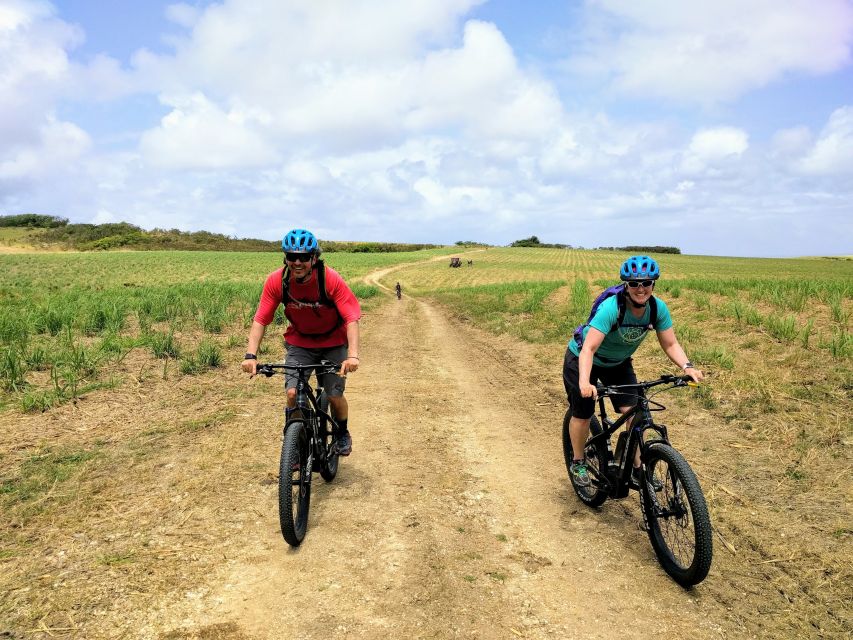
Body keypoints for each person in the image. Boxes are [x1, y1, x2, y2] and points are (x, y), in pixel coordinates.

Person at [563, 255, 703, 488]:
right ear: (626, 286)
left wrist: (687, 367)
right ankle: (578, 461)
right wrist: (586, 383)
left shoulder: (657, 308)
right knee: (583, 411)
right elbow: (589, 348)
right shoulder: (612, 308)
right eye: (635, 283)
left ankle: (636, 467)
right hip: (582, 358)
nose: (641, 289)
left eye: (646, 283)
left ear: (653, 285)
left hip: (618, 362)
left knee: (635, 412)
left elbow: (670, 344)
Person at [242, 229, 361, 455]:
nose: (297, 262)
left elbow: (351, 318)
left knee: (334, 393)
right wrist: (251, 356)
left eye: (304, 257)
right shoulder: (278, 281)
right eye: (291, 256)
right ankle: (296, 445)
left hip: (334, 342)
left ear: (314, 258)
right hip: (300, 342)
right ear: (285, 258)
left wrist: (352, 355)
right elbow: (261, 319)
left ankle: (342, 433)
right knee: (292, 394)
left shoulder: (329, 279)